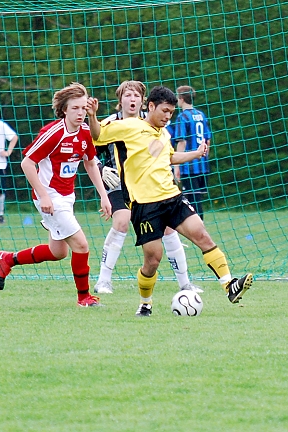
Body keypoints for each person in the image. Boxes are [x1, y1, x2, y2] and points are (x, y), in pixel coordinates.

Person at [87, 85, 252, 316]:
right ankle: (145, 303)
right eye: (164, 111)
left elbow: (170, 156)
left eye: (171, 113)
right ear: (151, 106)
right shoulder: (129, 126)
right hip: (144, 205)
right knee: (153, 260)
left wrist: (195, 154)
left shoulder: (164, 133)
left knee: (202, 234)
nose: (167, 116)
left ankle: (229, 285)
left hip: (171, 197)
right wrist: (92, 116)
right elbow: (97, 135)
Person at [0, 82, 111, 307]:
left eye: (82, 108)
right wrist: (44, 195)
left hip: (67, 197)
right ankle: (84, 298)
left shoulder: (85, 132)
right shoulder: (53, 134)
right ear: (64, 110)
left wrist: (103, 196)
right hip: (50, 197)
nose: (80, 113)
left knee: (58, 252)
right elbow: (27, 163)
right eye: (74, 108)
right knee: (81, 245)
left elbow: (90, 163)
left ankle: (7, 259)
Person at [90, 80, 202, 295]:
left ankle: (185, 283)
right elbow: (89, 149)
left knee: (169, 227)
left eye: (136, 96)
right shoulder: (111, 123)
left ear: (144, 101)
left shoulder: (153, 124)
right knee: (121, 221)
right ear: (119, 100)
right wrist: (101, 168)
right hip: (118, 182)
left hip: (149, 187)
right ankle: (103, 280)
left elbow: (163, 154)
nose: (132, 99)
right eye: (127, 95)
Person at [170, 85, 212, 217]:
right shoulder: (201, 115)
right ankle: (200, 229)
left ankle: (197, 231)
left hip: (189, 167)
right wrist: (204, 158)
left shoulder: (182, 117)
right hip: (202, 165)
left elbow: (182, 141)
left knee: (191, 201)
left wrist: (177, 165)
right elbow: (207, 140)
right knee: (198, 200)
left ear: (181, 99)